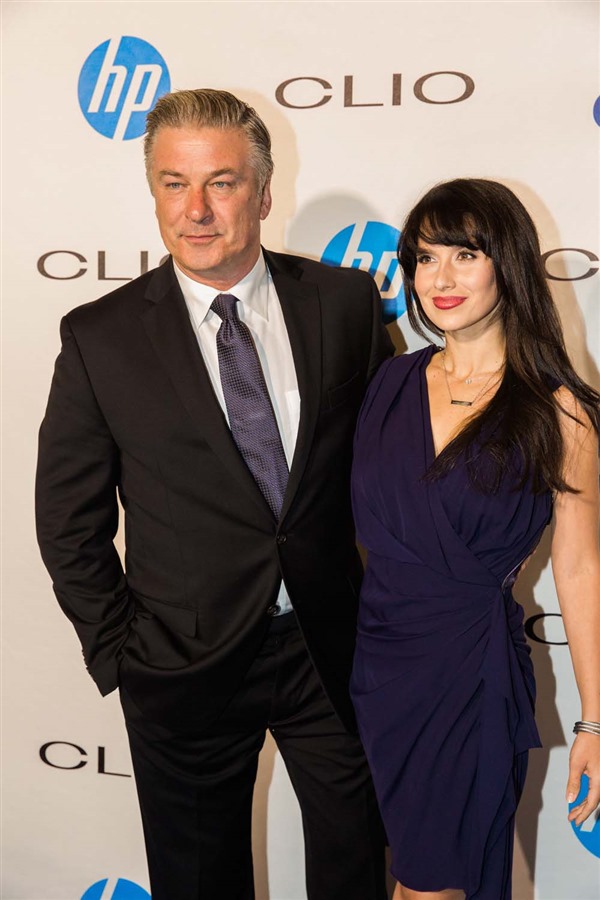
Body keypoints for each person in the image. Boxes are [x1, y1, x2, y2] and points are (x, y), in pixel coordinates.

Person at [35, 88, 392, 900]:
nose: (195, 210)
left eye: (221, 183)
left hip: (333, 655)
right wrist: (124, 654)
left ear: (263, 194)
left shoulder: (343, 304)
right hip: (181, 666)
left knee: (357, 876)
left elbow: (390, 473)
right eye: (174, 183)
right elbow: (67, 521)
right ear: (154, 190)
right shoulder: (100, 337)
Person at [350, 178, 600, 900]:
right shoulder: (388, 384)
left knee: (431, 887)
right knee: (414, 883)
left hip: (467, 677)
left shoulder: (559, 411)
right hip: (377, 675)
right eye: (425, 258)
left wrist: (593, 722)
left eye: (465, 254)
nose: (441, 278)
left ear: (507, 263)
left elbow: (579, 568)